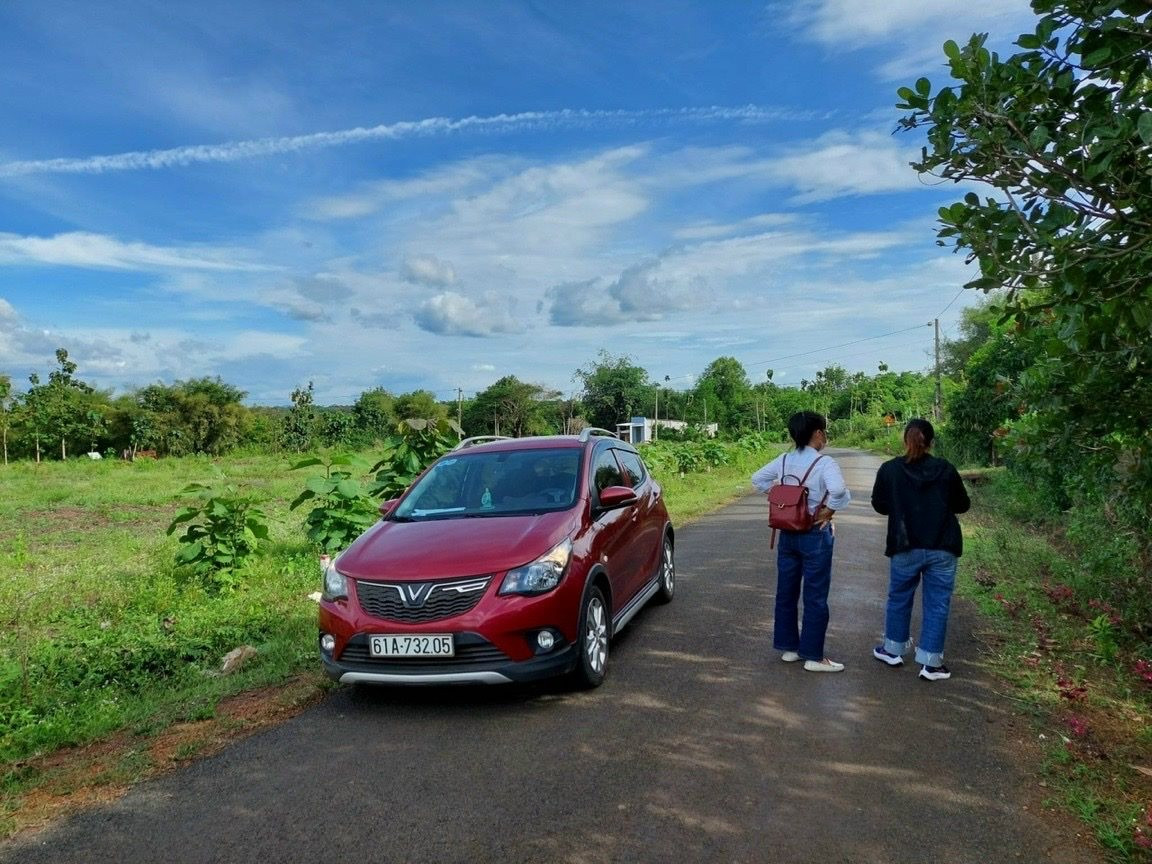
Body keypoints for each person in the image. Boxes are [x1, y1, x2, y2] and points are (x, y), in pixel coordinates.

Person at [870, 418, 971, 682]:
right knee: (937, 604)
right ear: (931, 441)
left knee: (899, 597)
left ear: (905, 440)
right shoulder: (945, 469)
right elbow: (962, 505)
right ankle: (931, 664)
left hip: (905, 545)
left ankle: (892, 649)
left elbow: (880, 505)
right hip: (943, 546)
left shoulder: (890, 470)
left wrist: (901, 501)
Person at [752, 411, 851, 673]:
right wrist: (829, 508)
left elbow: (757, 479)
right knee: (815, 596)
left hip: (787, 533)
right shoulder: (824, 463)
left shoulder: (783, 460)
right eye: (824, 432)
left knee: (786, 592)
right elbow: (839, 490)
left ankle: (789, 649)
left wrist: (778, 497)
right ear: (818, 433)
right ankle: (813, 656)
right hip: (814, 534)